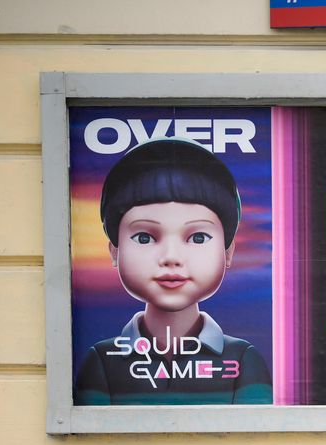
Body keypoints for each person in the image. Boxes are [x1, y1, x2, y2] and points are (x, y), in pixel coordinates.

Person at [74, 137, 272, 405]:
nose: (171, 258)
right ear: (115, 251)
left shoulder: (242, 358)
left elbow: (255, 438)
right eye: (144, 238)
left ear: (228, 252)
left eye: (198, 238)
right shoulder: (102, 359)